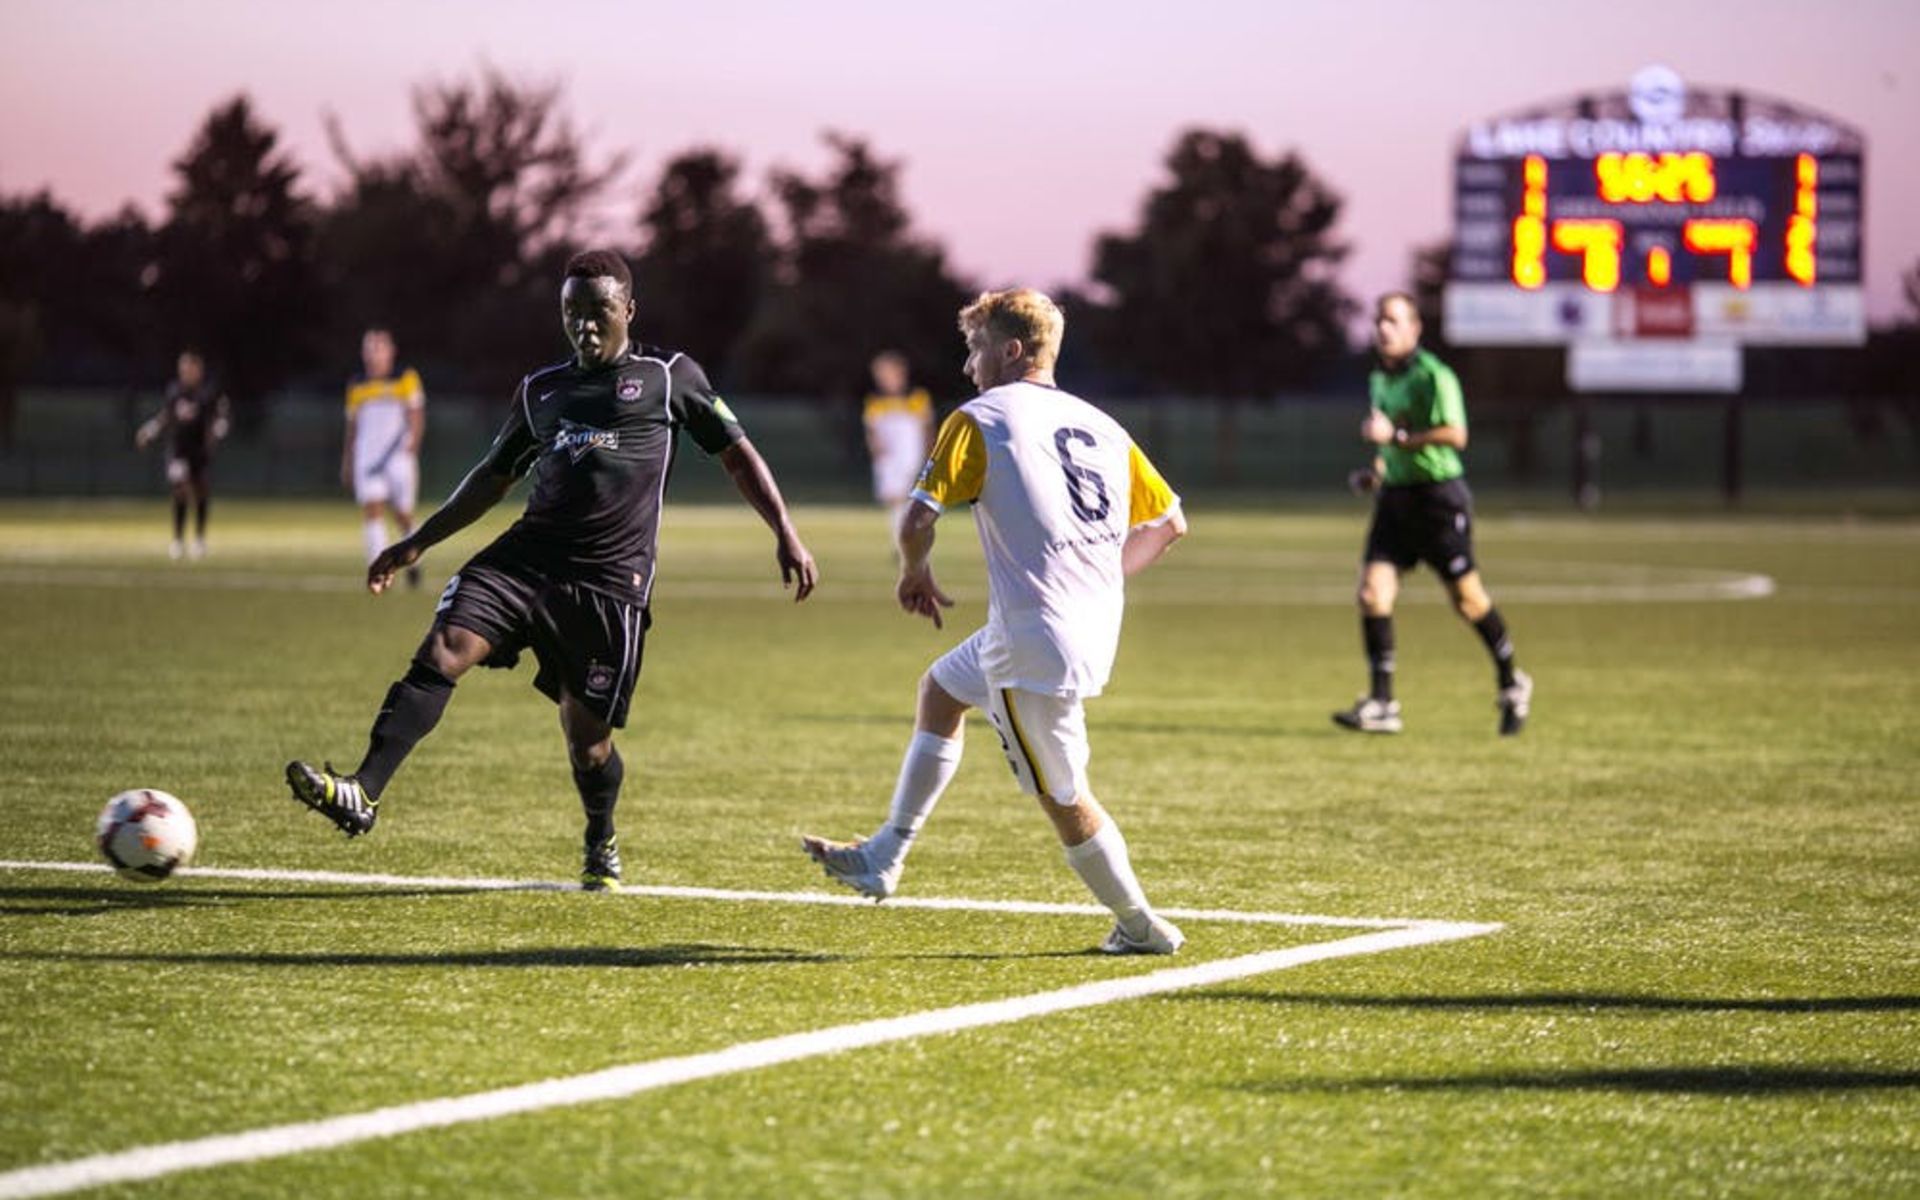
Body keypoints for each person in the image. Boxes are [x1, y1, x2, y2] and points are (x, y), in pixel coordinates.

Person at [285, 250, 819, 890]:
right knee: (445, 645)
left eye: (598, 313)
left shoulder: (669, 376)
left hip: (609, 584)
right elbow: (493, 477)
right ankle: (363, 792)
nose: (585, 328)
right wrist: (417, 542)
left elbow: (738, 454)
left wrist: (785, 531)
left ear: (628, 310)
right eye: (572, 314)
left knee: (586, 742)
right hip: (526, 559)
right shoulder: (542, 390)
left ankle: (601, 837)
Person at [802, 288, 1189, 955]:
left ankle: (1140, 924)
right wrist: (1097, 582)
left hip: (1033, 639)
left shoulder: (980, 418)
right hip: (1077, 625)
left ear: (1011, 351)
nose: (967, 364)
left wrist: (913, 572)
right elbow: (1170, 523)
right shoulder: (1101, 424)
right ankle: (886, 854)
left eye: (975, 348)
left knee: (1063, 796)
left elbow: (918, 518)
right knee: (943, 690)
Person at [1334, 292, 1532, 736]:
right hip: (1396, 499)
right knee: (1372, 594)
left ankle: (1511, 682)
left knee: (1469, 601)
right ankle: (1383, 702)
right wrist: (1377, 472)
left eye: (1393, 320)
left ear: (1414, 328)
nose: (1383, 328)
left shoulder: (1434, 376)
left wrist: (1399, 437)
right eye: (1379, 320)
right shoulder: (1379, 380)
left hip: (1439, 499)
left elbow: (1456, 434)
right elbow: (1389, 446)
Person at [343, 327, 426, 588]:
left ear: (391, 352)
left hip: (397, 458)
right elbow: (353, 426)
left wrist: (412, 444)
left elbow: (416, 414)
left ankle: (414, 560)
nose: (373, 355)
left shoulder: (405, 378)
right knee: (373, 510)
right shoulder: (357, 384)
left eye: (379, 348)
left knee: (402, 514)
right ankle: (377, 569)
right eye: (369, 349)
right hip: (368, 458)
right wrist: (347, 459)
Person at [134, 349, 230, 560]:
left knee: (201, 490)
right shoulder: (174, 391)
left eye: (190, 367)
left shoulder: (208, 392)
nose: (186, 371)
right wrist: (150, 430)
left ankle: (199, 539)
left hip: (200, 450)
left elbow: (220, 417)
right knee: (180, 489)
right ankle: (177, 540)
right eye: (183, 367)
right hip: (178, 450)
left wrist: (218, 432)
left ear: (199, 369)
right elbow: (165, 415)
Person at [862, 350, 934, 537]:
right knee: (894, 500)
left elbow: (927, 428)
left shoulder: (917, 399)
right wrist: (875, 448)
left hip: (909, 456)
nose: (883, 380)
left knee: (904, 495)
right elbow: (872, 431)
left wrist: (930, 452)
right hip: (887, 457)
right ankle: (902, 537)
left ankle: (907, 537)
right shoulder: (875, 403)